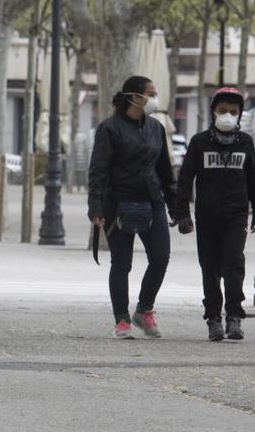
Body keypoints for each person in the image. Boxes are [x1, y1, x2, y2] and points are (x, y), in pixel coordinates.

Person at [88, 76, 176, 339]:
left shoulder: (156, 128)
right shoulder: (109, 129)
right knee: (122, 263)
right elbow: (98, 170)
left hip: (152, 202)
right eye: (151, 93)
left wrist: (177, 209)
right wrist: (96, 208)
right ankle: (122, 320)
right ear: (134, 97)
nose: (155, 98)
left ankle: (144, 310)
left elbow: (165, 171)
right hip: (118, 204)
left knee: (160, 258)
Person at [174, 87, 255, 341]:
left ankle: (234, 317)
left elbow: (252, 177)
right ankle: (213, 319)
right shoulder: (199, 142)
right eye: (222, 110)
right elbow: (185, 178)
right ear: (213, 112)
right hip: (207, 216)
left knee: (234, 265)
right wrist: (182, 214)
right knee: (210, 268)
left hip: (236, 215)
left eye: (233, 112)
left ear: (239, 115)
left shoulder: (245, 142)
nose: (227, 115)